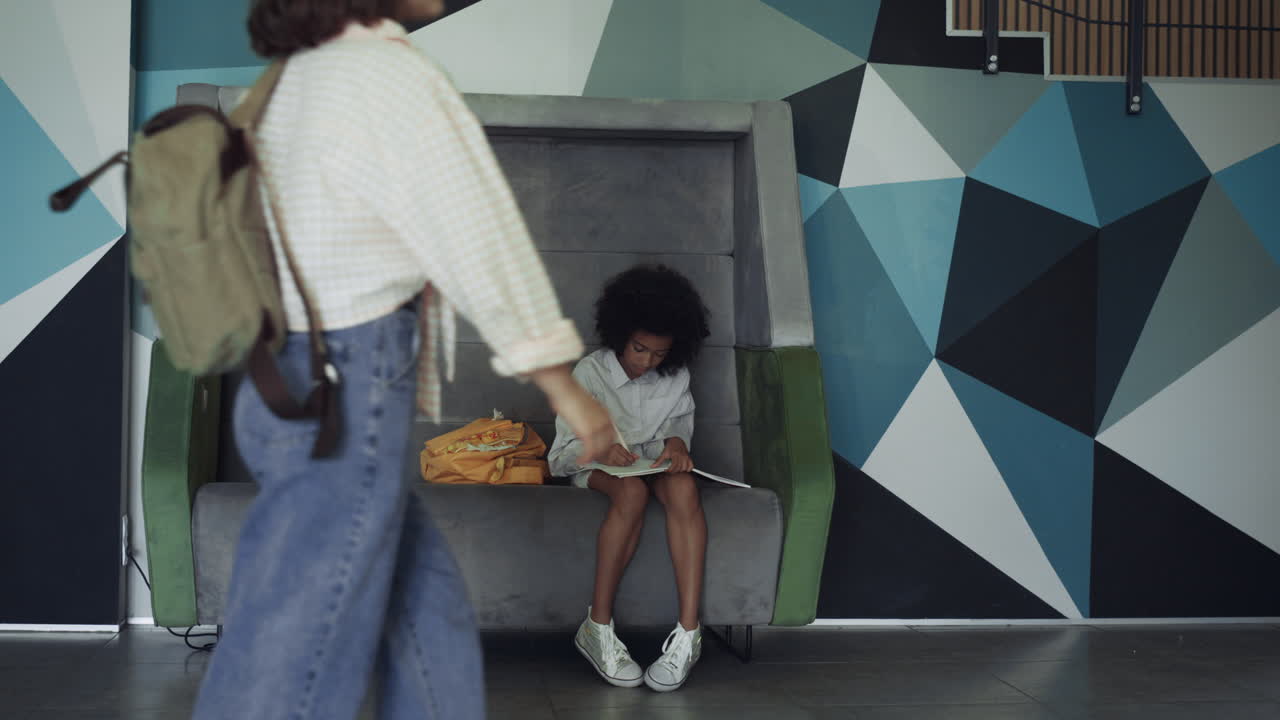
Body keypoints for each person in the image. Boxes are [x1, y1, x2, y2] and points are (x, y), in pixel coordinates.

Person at [191, 1, 616, 718]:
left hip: (279, 383)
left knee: (426, 609)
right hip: (346, 388)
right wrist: (564, 388)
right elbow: (480, 238)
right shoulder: (388, 75)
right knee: (296, 652)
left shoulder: (291, 78)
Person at [547, 265, 712, 693]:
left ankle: (688, 635)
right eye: (640, 349)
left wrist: (677, 446)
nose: (647, 362)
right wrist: (600, 450)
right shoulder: (590, 373)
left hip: (652, 470)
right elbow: (560, 459)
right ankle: (597, 627)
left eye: (659, 354)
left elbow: (678, 435)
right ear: (621, 333)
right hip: (603, 474)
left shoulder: (676, 377)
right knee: (631, 490)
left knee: (683, 485)